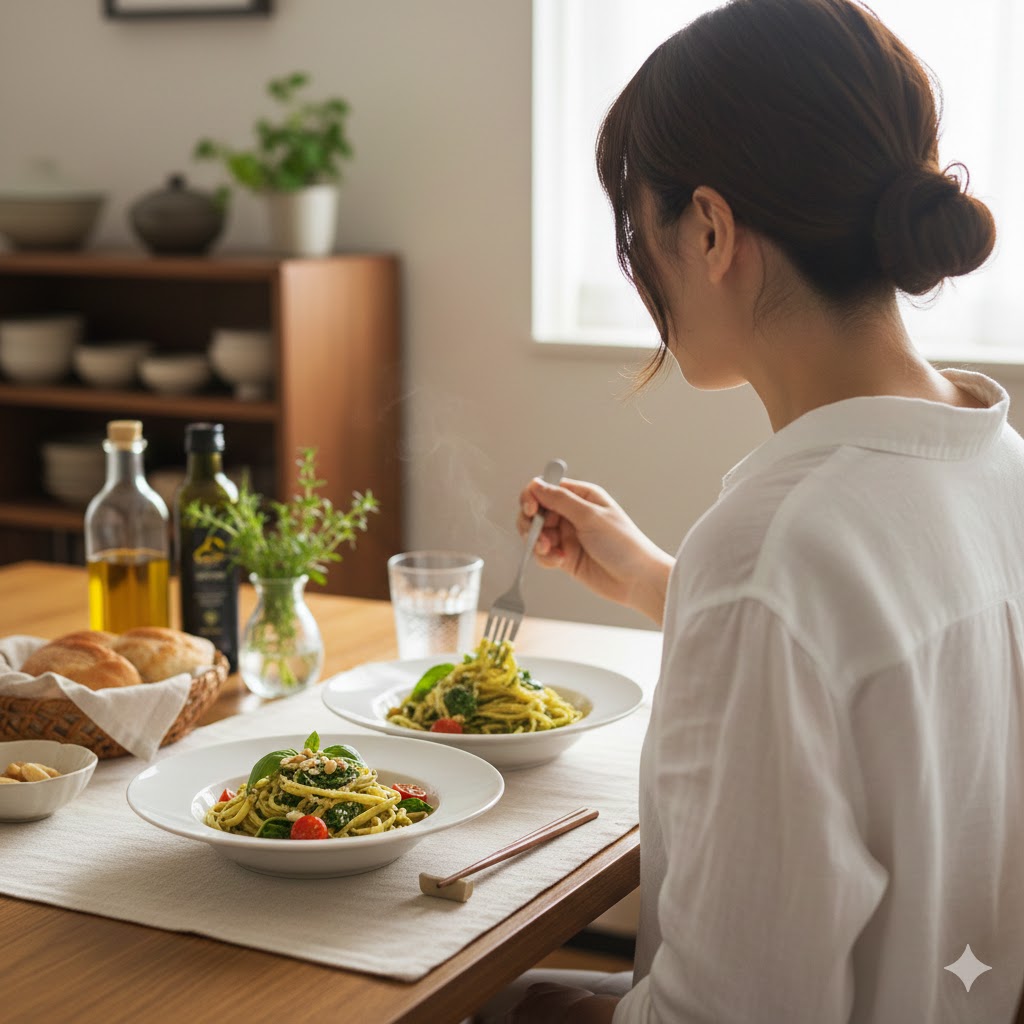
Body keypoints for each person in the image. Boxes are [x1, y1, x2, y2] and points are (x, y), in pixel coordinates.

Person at [474, 0, 1024, 1021]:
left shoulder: (776, 551)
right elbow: (876, 685)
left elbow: (726, 1009)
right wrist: (650, 576)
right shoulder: (996, 467)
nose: (640, 271)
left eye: (641, 231)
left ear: (712, 228)